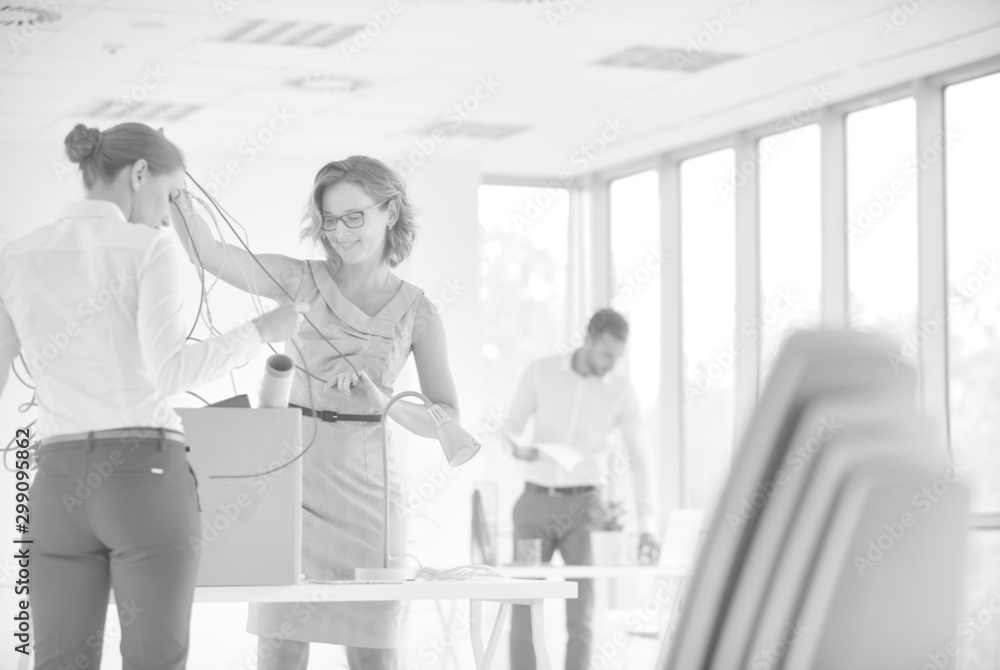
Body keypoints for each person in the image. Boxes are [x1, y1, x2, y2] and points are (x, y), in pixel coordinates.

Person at [0, 122, 307, 670]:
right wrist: (262, 330)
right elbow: (169, 372)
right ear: (139, 174)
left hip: (58, 482)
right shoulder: (147, 248)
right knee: (153, 661)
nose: (168, 215)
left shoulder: (16, 255)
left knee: (57, 663)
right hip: (143, 478)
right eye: (168, 196)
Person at [167, 155, 461, 669]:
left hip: (369, 492)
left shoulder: (418, 311)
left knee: (374, 650)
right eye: (330, 219)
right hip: (291, 479)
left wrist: (385, 402)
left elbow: (446, 418)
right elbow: (209, 254)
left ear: (389, 213)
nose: (341, 233)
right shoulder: (300, 279)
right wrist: (175, 191)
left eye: (355, 217)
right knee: (280, 643)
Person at [504, 307, 659, 670]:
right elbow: (510, 426)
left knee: (582, 615)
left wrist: (648, 522)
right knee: (524, 607)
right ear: (588, 339)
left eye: (618, 357)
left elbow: (641, 458)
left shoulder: (621, 391)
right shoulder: (541, 372)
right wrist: (517, 446)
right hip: (534, 506)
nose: (611, 364)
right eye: (606, 354)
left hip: (585, 510)